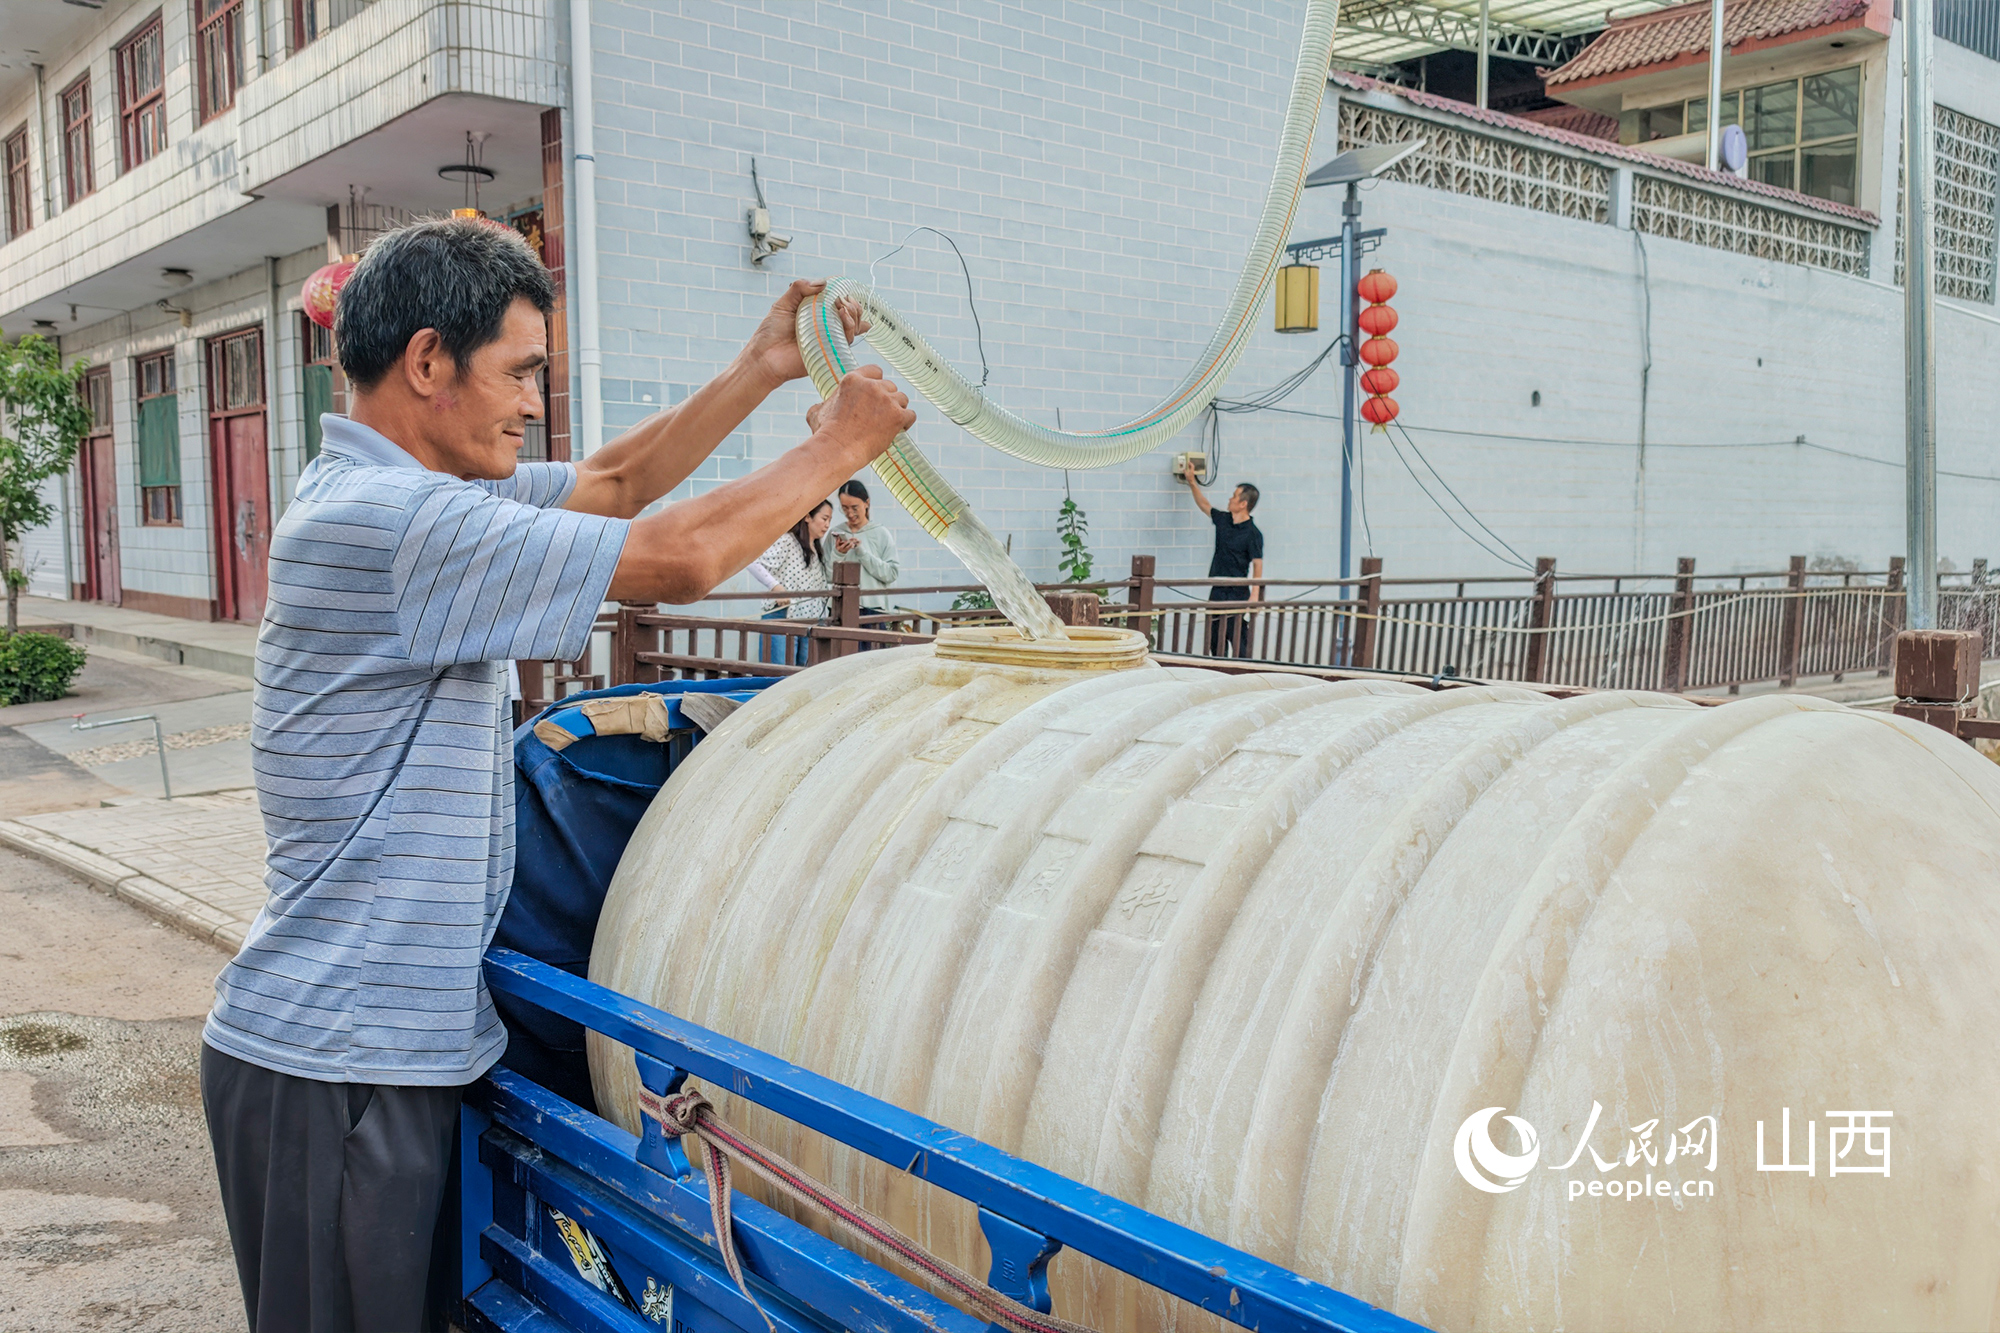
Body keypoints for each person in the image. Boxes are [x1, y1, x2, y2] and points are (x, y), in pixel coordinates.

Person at [196, 217, 911, 1333]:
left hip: (380, 1053)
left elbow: (622, 479)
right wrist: (835, 450)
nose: (534, 401)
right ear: (428, 362)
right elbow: (675, 558)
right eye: (520, 373)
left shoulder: (413, 496)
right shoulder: (393, 520)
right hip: (334, 1063)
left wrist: (762, 367)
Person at [1184, 474, 1264, 658]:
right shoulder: (1224, 521)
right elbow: (1205, 505)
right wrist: (1191, 482)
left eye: (1234, 496)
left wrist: (1255, 595)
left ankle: (1244, 667)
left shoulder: (1253, 534)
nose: (1230, 499)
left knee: (1235, 633)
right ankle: (1219, 665)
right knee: (1214, 634)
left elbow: (1257, 564)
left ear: (1243, 503)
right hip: (1218, 588)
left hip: (1238, 591)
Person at [749, 498, 834, 665]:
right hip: (783, 616)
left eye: (830, 520)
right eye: (824, 519)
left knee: (800, 678)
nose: (827, 525)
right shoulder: (788, 541)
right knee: (778, 676)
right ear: (808, 517)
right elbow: (752, 562)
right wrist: (776, 587)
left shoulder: (817, 550)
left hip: (809, 623)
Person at [822, 478, 900, 645]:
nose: (850, 513)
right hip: (840, 610)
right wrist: (838, 553)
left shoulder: (881, 533)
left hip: (873, 610)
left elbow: (891, 574)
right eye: (845, 508)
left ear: (867, 503)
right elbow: (827, 576)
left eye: (854, 507)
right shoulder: (835, 534)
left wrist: (862, 553)